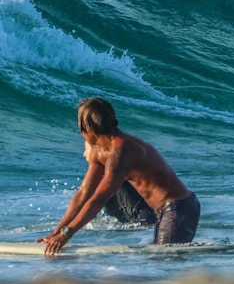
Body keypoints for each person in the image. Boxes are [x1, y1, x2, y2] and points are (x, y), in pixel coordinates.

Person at [39, 97, 200, 256]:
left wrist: (67, 234)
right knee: (158, 259)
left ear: (88, 128)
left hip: (179, 208)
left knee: (163, 261)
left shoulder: (122, 152)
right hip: (164, 211)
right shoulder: (99, 152)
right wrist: (56, 233)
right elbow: (83, 194)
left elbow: (98, 199)